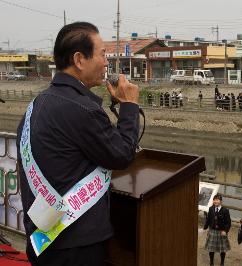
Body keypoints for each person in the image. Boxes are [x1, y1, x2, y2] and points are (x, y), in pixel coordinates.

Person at [16, 22, 140, 265]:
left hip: (44, 237)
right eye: (102, 54)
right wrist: (129, 106)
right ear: (79, 59)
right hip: (77, 245)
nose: (106, 62)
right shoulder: (83, 109)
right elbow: (122, 154)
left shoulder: (37, 104)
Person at [204, 194, 231, 266]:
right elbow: (208, 219)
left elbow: (228, 222)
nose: (215, 201)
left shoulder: (225, 210)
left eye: (217, 200)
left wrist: (225, 230)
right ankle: (211, 262)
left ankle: (222, 262)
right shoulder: (211, 209)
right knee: (211, 248)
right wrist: (205, 227)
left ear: (221, 201)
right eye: (214, 200)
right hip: (212, 231)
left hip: (221, 231)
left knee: (222, 249)